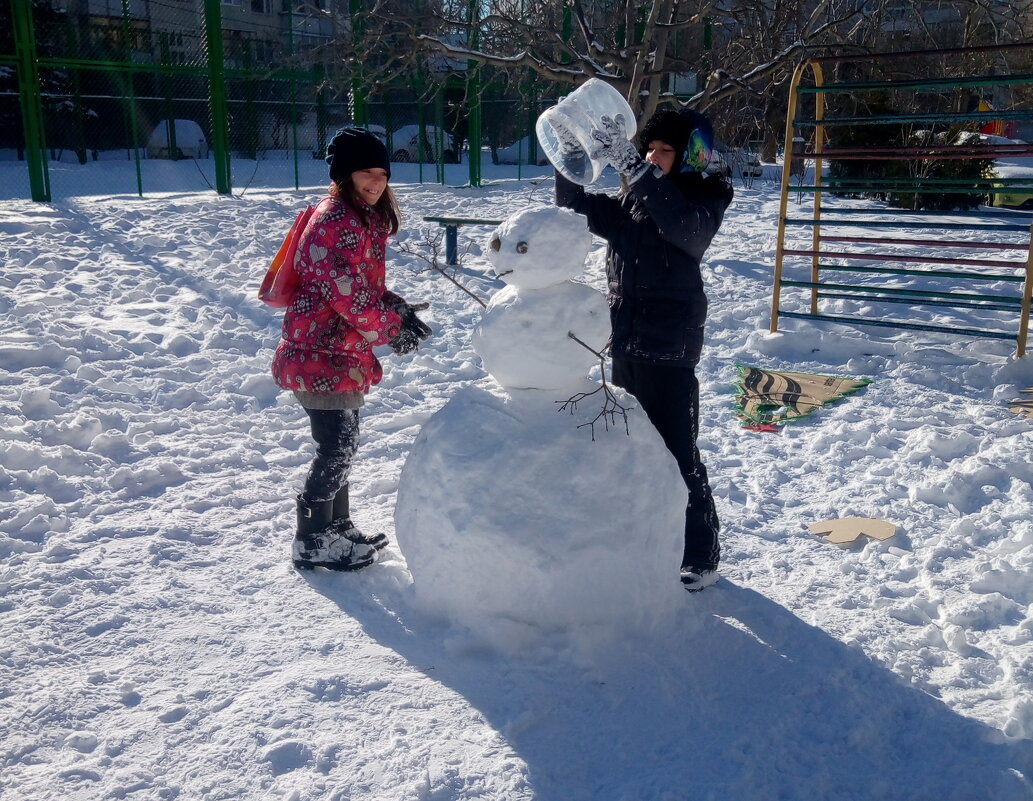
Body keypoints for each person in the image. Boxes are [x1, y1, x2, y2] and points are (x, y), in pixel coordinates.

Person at [554, 106, 733, 592]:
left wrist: (635, 167)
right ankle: (645, 537)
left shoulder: (705, 196)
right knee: (630, 445)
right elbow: (578, 208)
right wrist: (568, 156)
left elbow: (683, 231)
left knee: (678, 452)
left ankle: (701, 553)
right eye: (648, 149)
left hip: (671, 348)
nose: (653, 157)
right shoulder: (636, 201)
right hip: (627, 340)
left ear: (690, 155)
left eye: (664, 151)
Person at [272, 127, 431, 571]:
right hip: (318, 351)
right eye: (367, 172)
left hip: (338, 352)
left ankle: (336, 527)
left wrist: (399, 312)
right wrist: (388, 328)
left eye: (382, 173)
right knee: (336, 447)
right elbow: (347, 295)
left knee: (344, 444)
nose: (377, 181)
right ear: (345, 174)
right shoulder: (334, 220)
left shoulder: (361, 218)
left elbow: (366, 289)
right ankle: (310, 538)